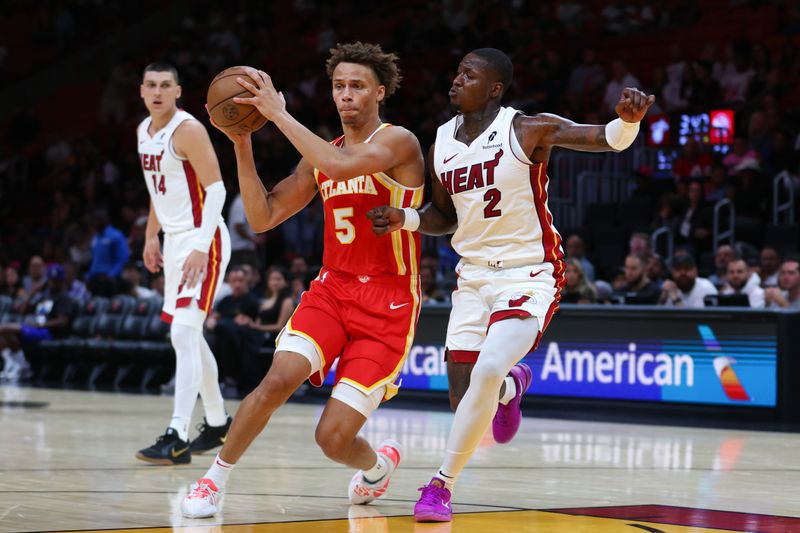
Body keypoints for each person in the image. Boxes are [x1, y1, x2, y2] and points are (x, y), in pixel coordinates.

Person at [368, 47, 654, 522]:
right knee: (465, 398)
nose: (456, 80)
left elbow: (604, 140)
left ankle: (440, 487)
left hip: (529, 271)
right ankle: (510, 388)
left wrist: (627, 122)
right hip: (473, 275)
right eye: (457, 71)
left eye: (469, 74)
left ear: (494, 89)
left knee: (485, 369)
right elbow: (443, 216)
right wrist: (405, 218)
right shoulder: (441, 140)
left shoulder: (528, 128)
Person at [181, 42, 425, 518]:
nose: (346, 95)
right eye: (339, 87)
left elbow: (340, 166)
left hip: (388, 302)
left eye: (356, 86)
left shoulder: (400, 143)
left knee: (331, 439)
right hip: (332, 289)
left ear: (379, 91)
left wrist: (276, 115)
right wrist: (242, 144)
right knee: (275, 381)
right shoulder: (319, 155)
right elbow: (262, 216)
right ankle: (213, 481)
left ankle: (377, 466)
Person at [134, 62, 232, 465]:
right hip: (174, 240)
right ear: (142, 91)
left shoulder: (188, 130)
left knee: (184, 332)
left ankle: (176, 434)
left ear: (178, 91)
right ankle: (217, 421)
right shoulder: (144, 131)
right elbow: (160, 192)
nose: (158, 92)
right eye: (151, 85)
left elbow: (218, 190)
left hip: (201, 237)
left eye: (166, 86)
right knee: (187, 335)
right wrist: (150, 235)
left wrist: (200, 244)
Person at [204, 266, 262, 396]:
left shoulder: (252, 301)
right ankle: (210, 378)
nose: (237, 284)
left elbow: (255, 322)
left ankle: (231, 377)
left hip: (243, 337)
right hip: (222, 335)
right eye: (234, 280)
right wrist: (211, 320)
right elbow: (215, 317)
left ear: (246, 281)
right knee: (211, 337)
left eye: (240, 280)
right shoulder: (226, 300)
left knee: (230, 331)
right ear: (229, 282)